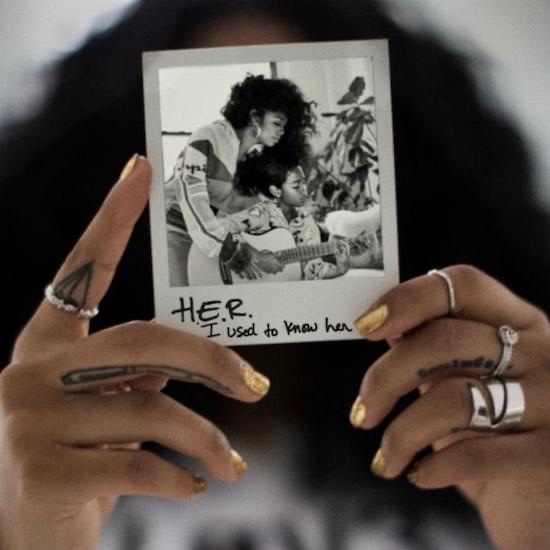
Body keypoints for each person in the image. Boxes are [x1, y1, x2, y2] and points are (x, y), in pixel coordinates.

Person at [0, 0, 550, 549]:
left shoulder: (493, 449)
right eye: (266, 121)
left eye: (285, 127)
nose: (271, 140)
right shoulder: (36, 465)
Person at [164, 74, 316, 285]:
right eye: (277, 123)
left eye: (284, 126)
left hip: (206, 247)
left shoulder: (250, 158)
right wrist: (232, 249)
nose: (282, 132)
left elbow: (246, 215)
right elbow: (191, 200)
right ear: (255, 117)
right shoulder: (208, 136)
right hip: (172, 233)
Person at [219, 154, 350, 281]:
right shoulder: (264, 213)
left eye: (304, 183)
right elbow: (221, 227)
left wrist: (339, 270)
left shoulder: (306, 220)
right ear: (276, 191)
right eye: (296, 186)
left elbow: (310, 267)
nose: (304, 190)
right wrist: (252, 254)